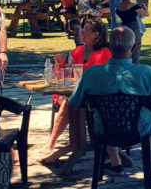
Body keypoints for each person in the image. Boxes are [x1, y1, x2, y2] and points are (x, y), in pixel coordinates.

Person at [68, 26, 151, 174]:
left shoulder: (91, 74)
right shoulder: (147, 73)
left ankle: (116, 163)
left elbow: (74, 102)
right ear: (133, 47)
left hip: (105, 130)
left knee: (107, 118)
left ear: (110, 47)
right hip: (140, 130)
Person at [40, 19, 111, 153]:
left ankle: (53, 142)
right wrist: (60, 65)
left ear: (96, 34)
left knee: (68, 103)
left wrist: (75, 68)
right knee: (67, 101)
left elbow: (93, 73)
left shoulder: (105, 53)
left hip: (97, 96)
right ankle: (74, 144)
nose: (82, 31)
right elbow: (64, 76)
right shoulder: (77, 51)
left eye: (86, 29)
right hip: (75, 92)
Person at [116, 0, 149, 64]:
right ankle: (135, 66)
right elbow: (146, 14)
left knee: (125, 49)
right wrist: (144, 7)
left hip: (123, 27)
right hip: (134, 27)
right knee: (135, 50)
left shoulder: (119, 6)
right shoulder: (134, 6)